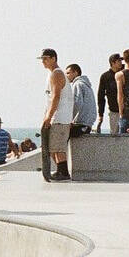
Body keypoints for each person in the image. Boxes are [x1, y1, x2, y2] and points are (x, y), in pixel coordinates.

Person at [38, 48, 74, 181]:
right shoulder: (51, 74)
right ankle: (60, 170)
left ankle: (63, 172)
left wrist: (49, 116)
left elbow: (56, 97)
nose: (43, 62)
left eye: (46, 58)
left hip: (59, 117)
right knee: (53, 147)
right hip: (57, 116)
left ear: (54, 58)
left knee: (58, 148)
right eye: (42, 59)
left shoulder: (57, 74)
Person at [95, 54, 123, 135]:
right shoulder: (105, 76)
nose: (121, 63)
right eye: (119, 61)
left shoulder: (124, 73)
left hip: (126, 111)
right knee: (114, 136)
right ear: (113, 63)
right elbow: (101, 96)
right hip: (114, 111)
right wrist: (101, 114)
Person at [66, 64, 97, 136]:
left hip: (80, 124)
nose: (66, 76)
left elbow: (76, 103)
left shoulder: (77, 84)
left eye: (68, 73)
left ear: (75, 73)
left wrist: (68, 120)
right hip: (87, 124)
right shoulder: (86, 85)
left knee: (59, 134)